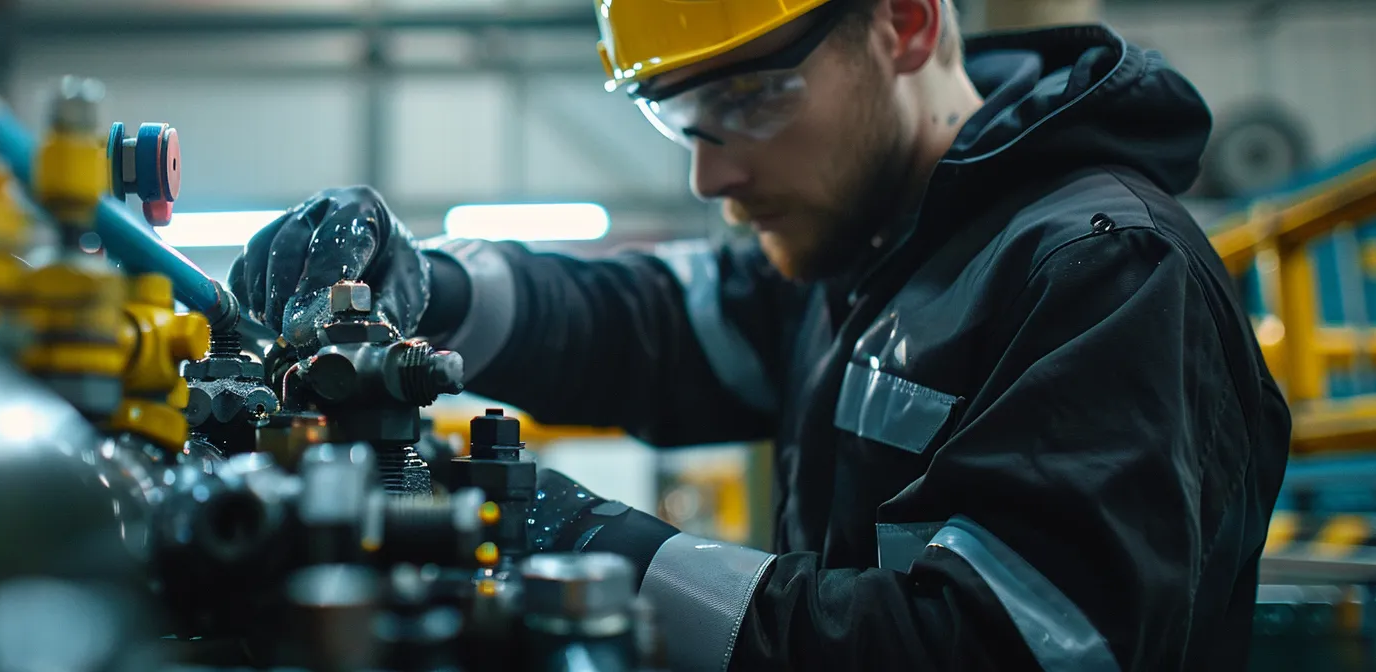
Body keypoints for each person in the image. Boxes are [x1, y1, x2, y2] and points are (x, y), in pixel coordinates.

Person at [229, 0, 1291, 668]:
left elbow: (1003, 648)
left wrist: (599, 552)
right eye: (682, 124)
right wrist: (433, 284)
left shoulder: (1102, 270)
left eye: (748, 100)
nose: (710, 175)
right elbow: (645, 324)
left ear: (906, 24)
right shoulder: (866, 256)